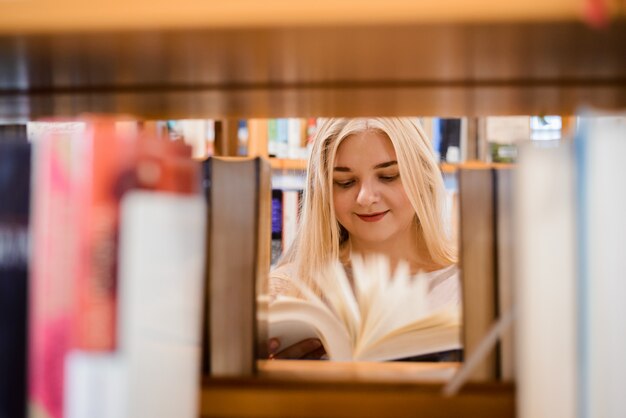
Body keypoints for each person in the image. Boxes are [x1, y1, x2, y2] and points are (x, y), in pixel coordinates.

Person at [268, 117, 460, 360]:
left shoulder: (469, 288)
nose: (365, 197)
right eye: (345, 182)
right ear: (324, 191)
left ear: (423, 177)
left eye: (388, 176)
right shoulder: (286, 291)